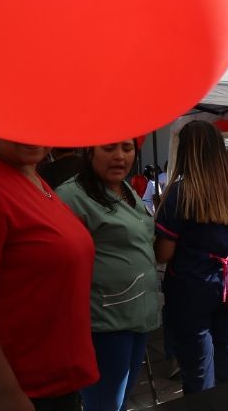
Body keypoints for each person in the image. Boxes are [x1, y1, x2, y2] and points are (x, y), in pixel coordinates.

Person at [0, 136, 98, 411]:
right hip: (17, 393)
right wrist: (5, 393)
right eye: (15, 119)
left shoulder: (32, 179)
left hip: (55, 385)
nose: (30, 132)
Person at [56, 140, 160, 411]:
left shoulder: (126, 188)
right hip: (105, 322)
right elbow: (59, 263)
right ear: (88, 151)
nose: (119, 157)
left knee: (121, 400)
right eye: (108, 148)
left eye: (127, 148)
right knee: (105, 404)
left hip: (139, 314)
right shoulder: (71, 196)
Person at [154, 120, 228, 394]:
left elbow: (164, 253)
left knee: (198, 369)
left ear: (185, 153)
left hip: (191, 286)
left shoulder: (178, 194)